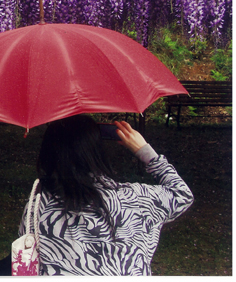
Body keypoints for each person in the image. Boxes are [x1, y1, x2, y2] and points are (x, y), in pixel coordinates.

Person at [19, 114, 193, 276]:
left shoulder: (38, 205)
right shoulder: (137, 199)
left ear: (48, 153)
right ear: (97, 151)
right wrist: (145, 151)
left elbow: (26, 250)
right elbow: (182, 194)